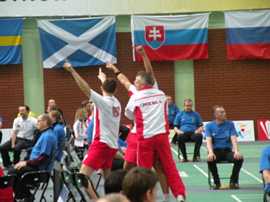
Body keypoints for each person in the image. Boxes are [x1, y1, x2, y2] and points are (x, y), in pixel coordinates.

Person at [106, 46, 170, 201]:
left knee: (159, 167)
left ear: (145, 83)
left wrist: (143, 54)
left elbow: (149, 72)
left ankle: (166, 197)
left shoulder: (153, 88)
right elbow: (124, 80)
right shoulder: (135, 91)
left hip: (154, 134)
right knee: (127, 166)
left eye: (137, 80)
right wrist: (113, 68)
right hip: (137, 135)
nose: (134, 81)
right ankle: (125, 194)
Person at [124, 70, 186, 201]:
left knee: (144, 171)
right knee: (169, 166)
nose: (134, 82)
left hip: (145, 137)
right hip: (162, 136)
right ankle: (179, 195)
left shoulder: (136, 97)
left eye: (136, 80)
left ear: (141, 84)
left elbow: (129, 115)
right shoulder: (161, 94)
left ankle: (144, 198)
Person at [64, 62, 121, 200]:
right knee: (108, 179)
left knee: (82, 177)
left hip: (101, 144)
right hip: (112, 146)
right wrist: (102, 78)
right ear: (116, 91)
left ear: (102, 88)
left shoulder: (103, 102)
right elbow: (106, 90)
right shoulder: (117, 102)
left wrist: (72, 71)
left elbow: (85, 88)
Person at [9, 114, 57, 200]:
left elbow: (43, 157)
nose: (37, 123)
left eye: (39, 121)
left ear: (45, 122)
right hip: (36, 166)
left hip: (40, 170)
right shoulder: (45, 133)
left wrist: (26, 162)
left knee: (12, 172)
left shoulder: (48, 136)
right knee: (14, 171)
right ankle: (24, 196)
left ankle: (26, 196)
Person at [205, 105, 244, 189]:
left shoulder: (230, 124)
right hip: (216, 151)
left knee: (239, 158)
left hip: (227, 151)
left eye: (224, 111)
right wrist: (210, 152)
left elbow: (233, 138)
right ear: (216, 115)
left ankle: (233, 181)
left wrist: (236, 151)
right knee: (210, 159)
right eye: (221, 112)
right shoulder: (209, 126)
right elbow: (208, 141)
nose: (224, 113)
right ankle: (217, 183)